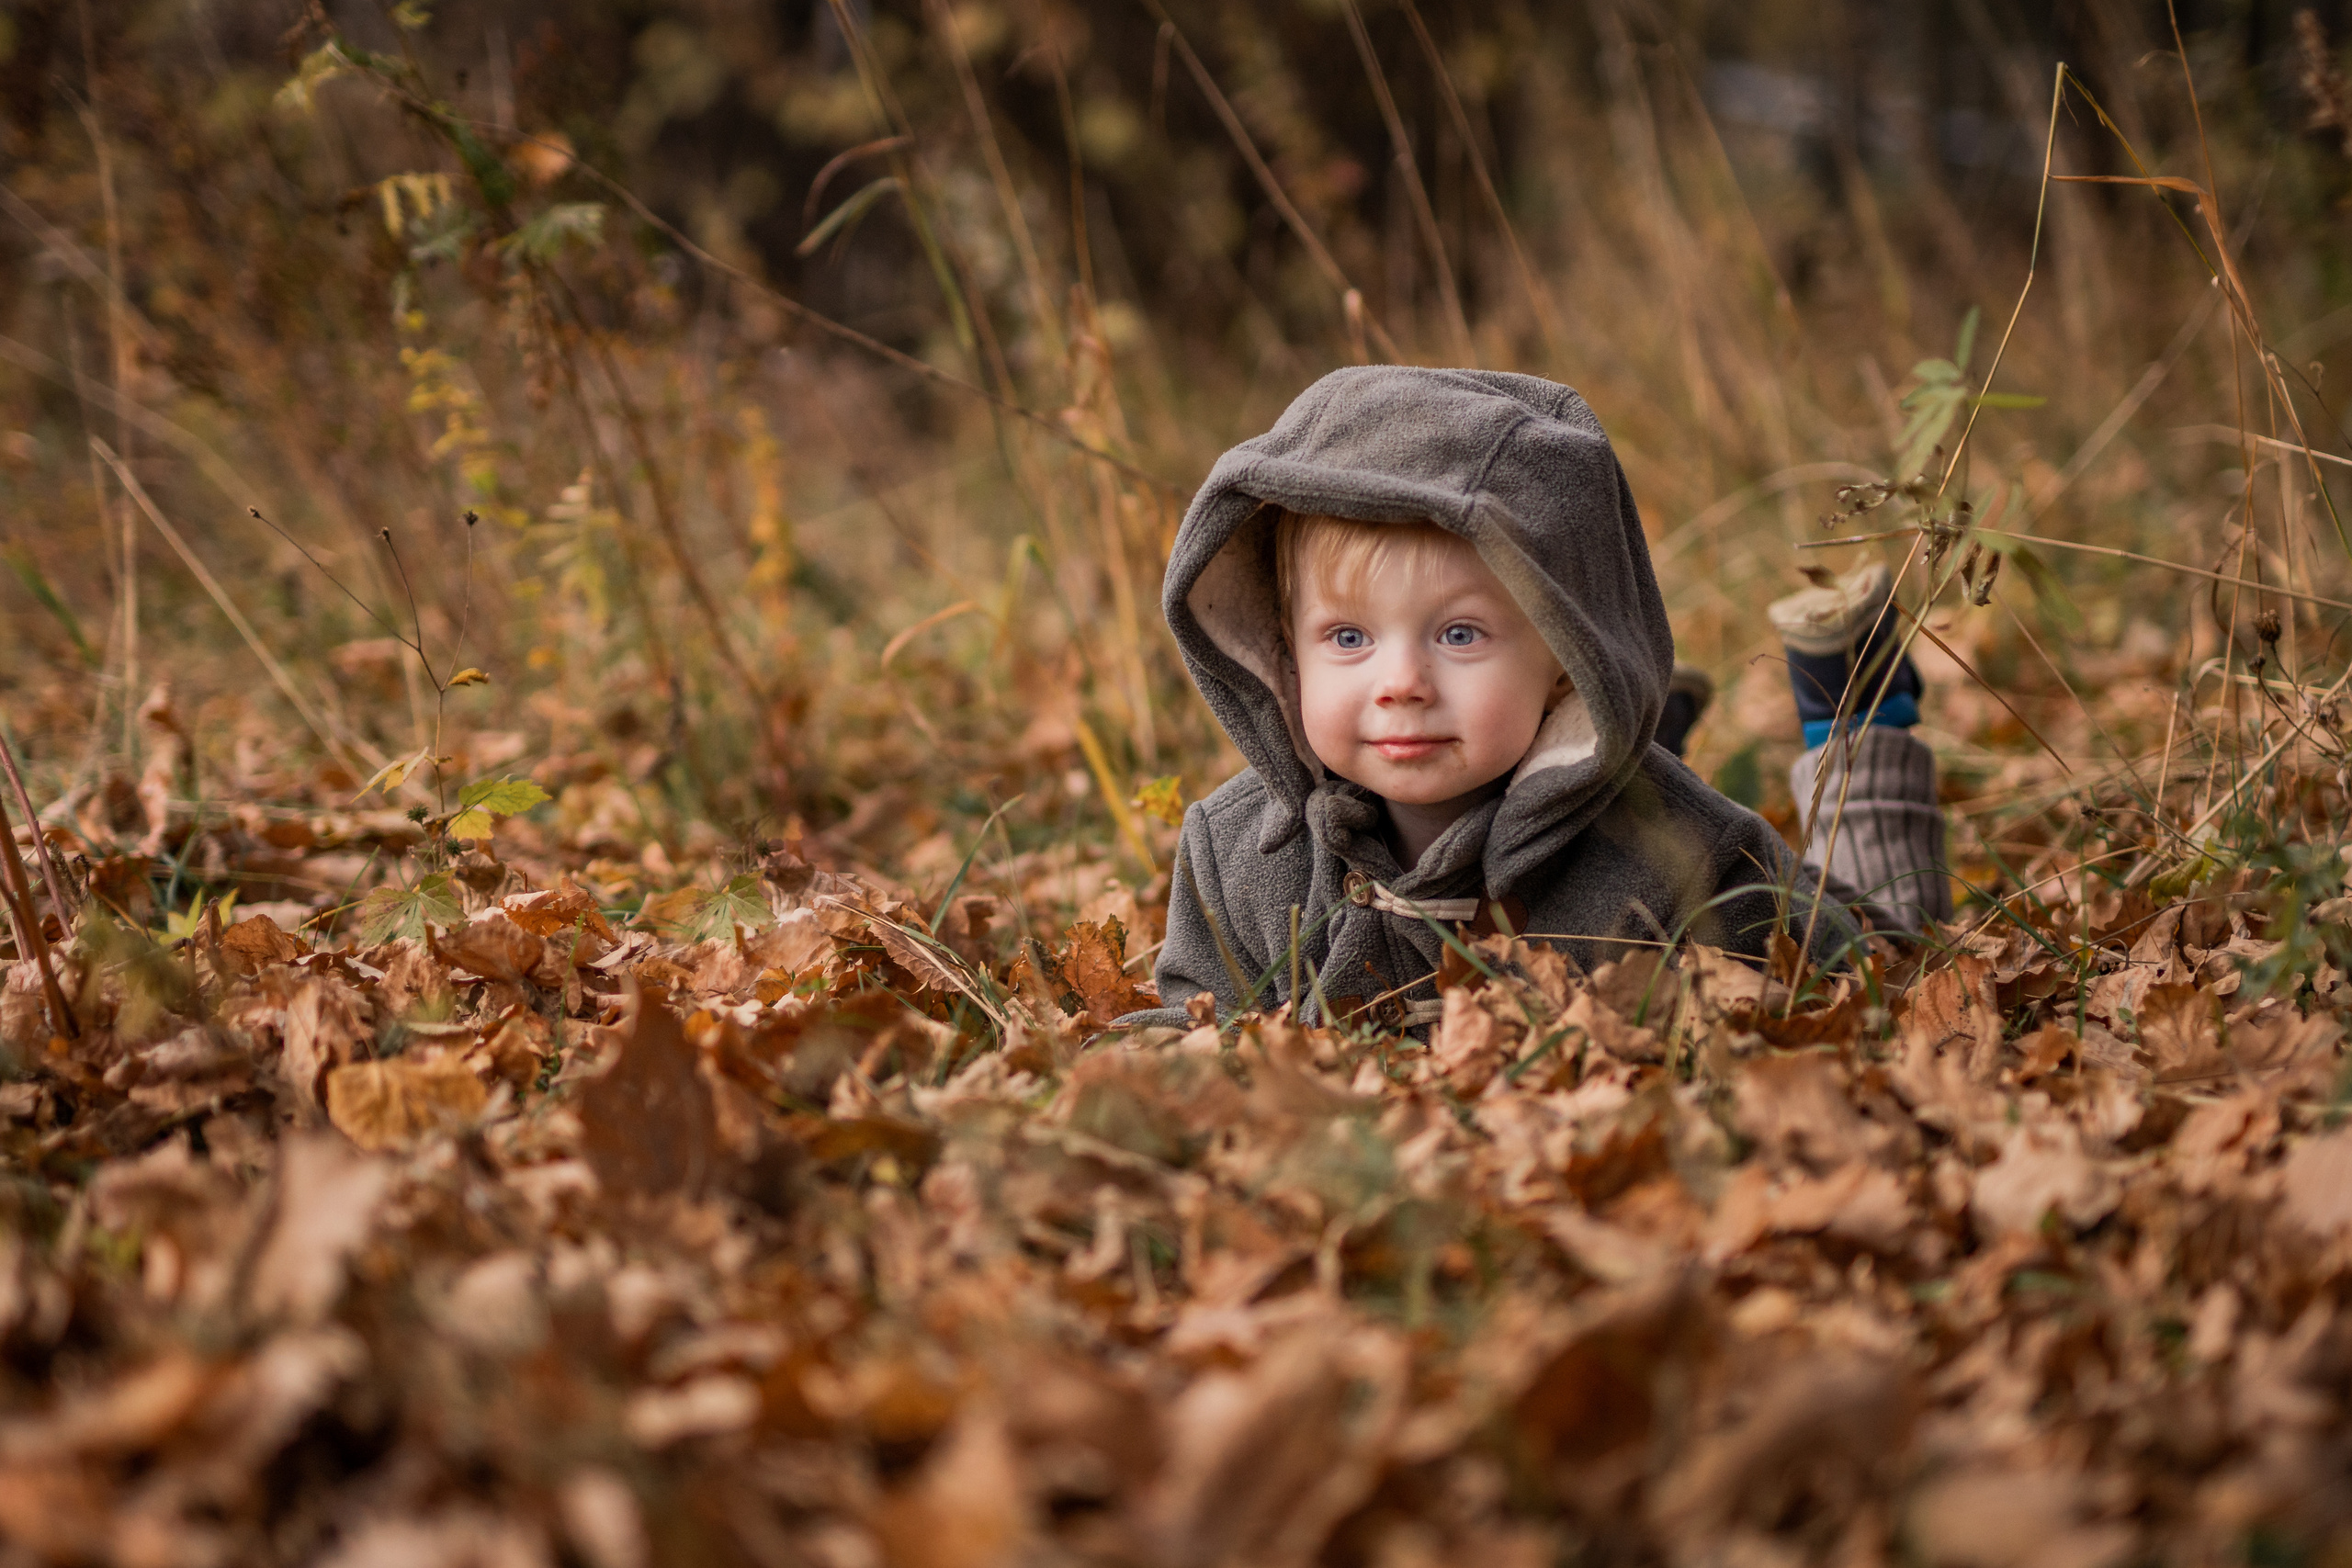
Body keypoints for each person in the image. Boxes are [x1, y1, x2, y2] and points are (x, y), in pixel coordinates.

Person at [1117, 367, 1945, 1032]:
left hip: (1667, 816)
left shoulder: (1682, 852)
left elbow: (1870, 980)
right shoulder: (1236, 856)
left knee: (1896, 923)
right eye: (1347, 637)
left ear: (1566, 658)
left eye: (1459, 634)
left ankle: (1857, 711)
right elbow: (1186, 1029)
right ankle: (1636, 724)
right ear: (1284, 655)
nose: (1400, 683)